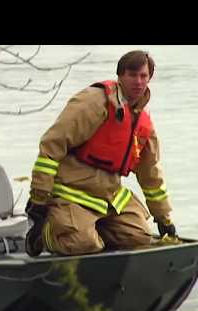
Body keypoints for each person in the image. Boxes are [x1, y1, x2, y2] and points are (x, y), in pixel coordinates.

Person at [25, 50, 177, 257]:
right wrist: (39, 200)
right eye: (132, 75)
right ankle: (49, 233)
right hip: (71, 193)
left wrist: (164, 218)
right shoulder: (94, 102)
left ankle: (92, 230)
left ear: (150, 78)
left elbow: (151, 175)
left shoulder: (142, 122)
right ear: (120, 76)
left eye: (144, 76)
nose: (139, 82)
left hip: (109, 197)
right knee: (82, 244)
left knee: (139, 238)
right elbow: (52, 146)